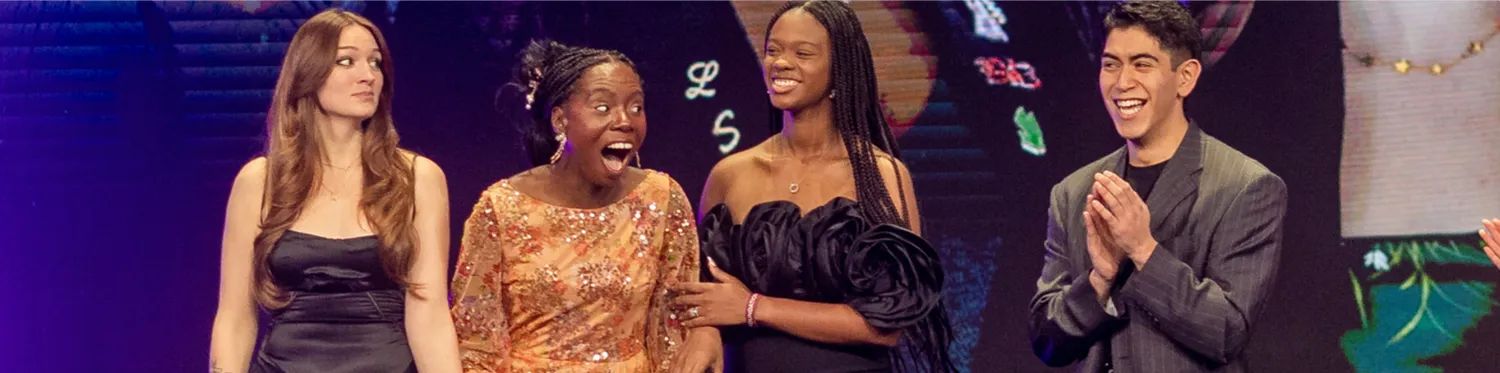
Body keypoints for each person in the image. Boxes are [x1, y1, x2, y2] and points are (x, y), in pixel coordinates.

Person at [674, 1, 955, 372]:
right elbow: (706, 299)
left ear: (840, 70)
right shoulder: (731, 174)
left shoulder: (880, 174)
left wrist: (754, 307)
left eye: (802, 53)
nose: (780, 63)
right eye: (773, 50)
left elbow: (886, 326)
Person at [1027, 2, 1288, 372]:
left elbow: (1227, 332)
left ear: (1186, 77)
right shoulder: (1074, 192)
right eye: (1110, 64)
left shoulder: (1245, 187)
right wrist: (1099, 279)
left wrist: (1143, 250)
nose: (1122, 83)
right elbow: (1047, 342)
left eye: (1142, 64)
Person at [208, 8, 462, 373]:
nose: (368, 76)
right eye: (347, 61)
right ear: (307, 73)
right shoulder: (259, 182)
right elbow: (234, 318)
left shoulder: (417, 177)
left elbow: (430, 314)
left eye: (375, 64)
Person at [448, 40, 718, 373]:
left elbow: (672, 325)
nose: (625, 121)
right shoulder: (501, 207)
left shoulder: (662, 198)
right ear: (560, 121)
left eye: (636, 107)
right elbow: (476, 342)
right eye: (603, 107)